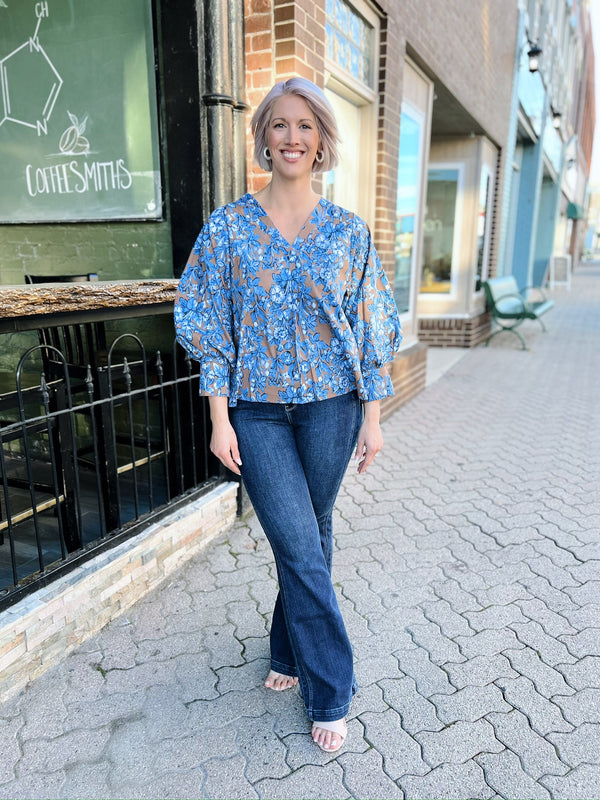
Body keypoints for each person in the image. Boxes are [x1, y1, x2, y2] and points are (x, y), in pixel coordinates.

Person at [174, 77, 401, 753]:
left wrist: (373, 416)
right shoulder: (228, 228)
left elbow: (372, 326)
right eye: (279, 124)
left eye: (306, 125)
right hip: (259, 413)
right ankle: (330, 687)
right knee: (302, 546)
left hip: (332, 408)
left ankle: (283, 651)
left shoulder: (348, 233)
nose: (292, 137)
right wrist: (220, 420)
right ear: (263, 138)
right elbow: (209, 323)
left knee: (312, 533)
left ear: (322, 140)